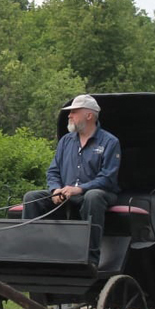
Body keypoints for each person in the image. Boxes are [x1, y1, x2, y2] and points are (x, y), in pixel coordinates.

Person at [22, 94, 121, 269]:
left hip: (99, 194)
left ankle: (90, 258)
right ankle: (29, 254)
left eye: (74, 112)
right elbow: (53, 171)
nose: (69, 116)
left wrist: (80, 189)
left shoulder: (110, 142)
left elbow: (107, 178)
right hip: (66, 193)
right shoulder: (66, 141)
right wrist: (55, 190)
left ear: (89, 116)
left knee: (93, 196)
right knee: (32, 197)